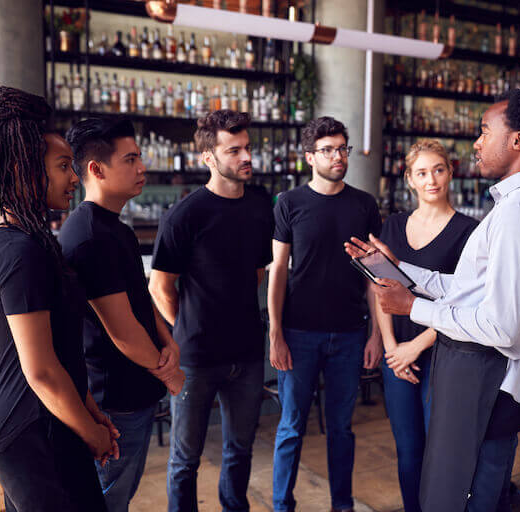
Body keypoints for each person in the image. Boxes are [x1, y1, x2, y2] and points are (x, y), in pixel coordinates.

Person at [346, 87, 520, 512]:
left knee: (471, 495)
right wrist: (398, 267)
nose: (477, 143)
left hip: (489, 377)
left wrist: (412, 307)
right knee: (447, 488)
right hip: (476, 372)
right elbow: (464, 289)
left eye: (486, 131)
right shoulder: (517, 204)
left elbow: (500, 325)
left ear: (519, 140)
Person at [0, 86, 117, 511]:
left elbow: (61, 352)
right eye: (62, 167)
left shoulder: (27, 241)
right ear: (22, 169)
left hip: (48, 417)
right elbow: (41, 371)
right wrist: (91, 433)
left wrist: (89, 412)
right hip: (27, 426)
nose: (74, 177)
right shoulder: (18, 250)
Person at [148, 110, 274, 512]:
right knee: (185, 459)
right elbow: (160, 286)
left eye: (248, 148)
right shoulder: (185, 215)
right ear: (209, 157)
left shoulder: (259, 207)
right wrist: (189, 327)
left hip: (247, 354)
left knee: (240, 451)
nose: (245, 157)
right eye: (233, 150)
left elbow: (256, 271)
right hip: (197, 358)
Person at [59, 118, 185, 512]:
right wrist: (169, 371)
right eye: (130, 159)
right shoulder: (90, 236)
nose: (142, 167)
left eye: (140, 157)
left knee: (121, 495)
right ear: (96, 170)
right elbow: (122, 329)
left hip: (135, 388)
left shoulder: (116, 229)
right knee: (108, 501)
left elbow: (140, 298)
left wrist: (169, 341)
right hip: (113, 396)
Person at [268, 116, 383, 512]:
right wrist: (276, 332)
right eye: (328, 150)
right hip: (299, 333)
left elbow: (374, 275)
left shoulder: (364, 204)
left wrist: (377, 335)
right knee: (290, 428)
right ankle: (282, 505)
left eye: (342, 148)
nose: (338, 156)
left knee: (341, 429)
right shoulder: (289, 203)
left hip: (350, 334)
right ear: (309, 157)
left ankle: (342, 504)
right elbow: (278, 269)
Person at [376, 140, 477, 512]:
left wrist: (415, 347)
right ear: (410, 180)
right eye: (422, 173)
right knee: (408, 451)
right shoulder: (394, 225)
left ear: (451, 172)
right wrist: (390, 346)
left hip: (444, 354)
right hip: (396, 357)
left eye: (438, 169)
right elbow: (380, 288)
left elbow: (465, 301)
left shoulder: (470, 231)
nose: (431, 179)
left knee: (442, 454)